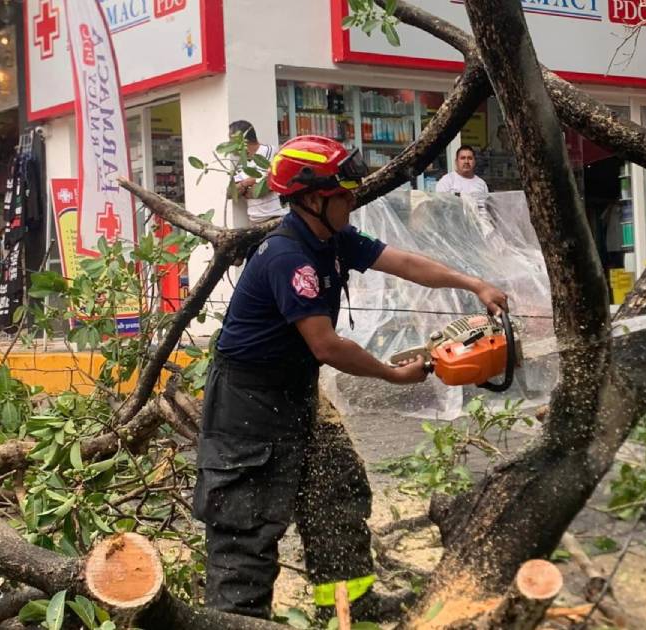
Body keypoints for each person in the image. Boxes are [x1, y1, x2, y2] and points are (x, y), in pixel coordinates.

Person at [192, 135, 508, 620]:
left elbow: (404, 262)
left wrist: (474, 283)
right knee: (245, 527)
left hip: (297, 392)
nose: (353, 199)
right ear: (312, 197)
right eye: (344, 193)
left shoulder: (332, 238)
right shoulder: (286, 256)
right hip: (247, 405)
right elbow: (327, 345)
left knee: (336, 489)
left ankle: (347, 606)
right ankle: (238, 620)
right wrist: (392, 375)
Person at [229, 120, 287, 222]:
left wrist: (248, 189)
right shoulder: (241, 163)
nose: (229, 145)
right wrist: (247, 182)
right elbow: (231, 193)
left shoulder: (270, 152)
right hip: (255, 221)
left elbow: (268, 185)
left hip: (277, 218)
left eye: (231, 140)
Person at [436, 145, 492, 233]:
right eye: (463, 158)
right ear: (456, 162)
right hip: (453, 232)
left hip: (477, 232)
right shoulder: (447, 181)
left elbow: (484, 210)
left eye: (470, 158)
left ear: (474, 161)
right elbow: (440, 208)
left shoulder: (481, 184)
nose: (466, 161)